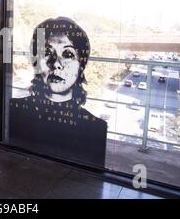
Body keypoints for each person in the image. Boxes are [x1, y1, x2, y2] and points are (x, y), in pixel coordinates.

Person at [9, 17, 107, 167]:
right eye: (47, 52)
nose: (56, 63)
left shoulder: (95, 128)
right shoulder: (14, 109)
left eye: (68, 55)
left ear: (82, 64)